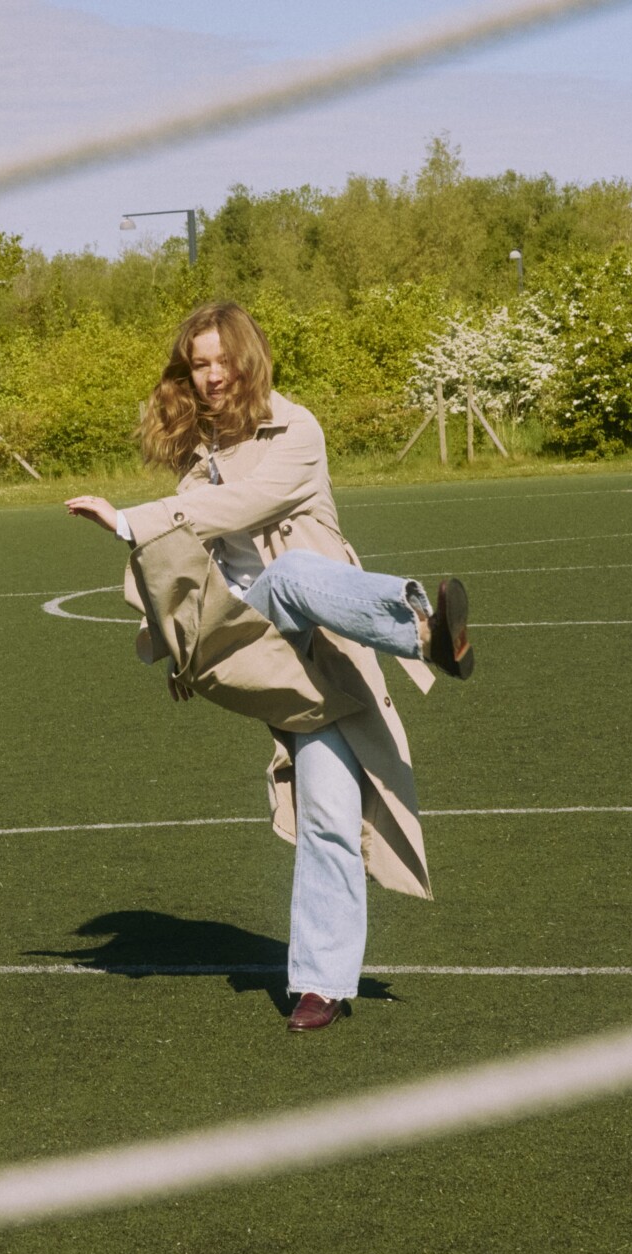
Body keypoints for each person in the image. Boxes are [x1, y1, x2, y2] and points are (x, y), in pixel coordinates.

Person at [66, 301, 472, 1034]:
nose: (213, 375)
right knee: (320, 793)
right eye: (199, 363)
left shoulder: (297, 430)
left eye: (223, 359)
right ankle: (420, 626)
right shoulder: (195, 459)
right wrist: (186, 648)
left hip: (332, 637)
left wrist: (131, 522)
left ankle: (320, 983)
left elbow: (245, 504)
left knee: (327, 794)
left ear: (249, 360)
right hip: (261, 646)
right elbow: (190, 568)